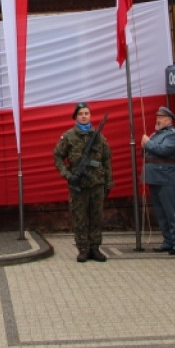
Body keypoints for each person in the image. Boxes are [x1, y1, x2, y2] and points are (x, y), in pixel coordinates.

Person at [53, 102, 113, 262]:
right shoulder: (69, 136)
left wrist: (108, 183)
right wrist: (67, 174)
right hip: (79, 186)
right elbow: (57, 156)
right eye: (81, 114)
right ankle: (83, 249)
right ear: (76, 117)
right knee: (79, 218)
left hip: (97, 184)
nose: (84, 116)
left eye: (87, 113)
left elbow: (107, 160)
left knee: (96, 217)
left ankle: (95, 248)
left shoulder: (99, 137)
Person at [141, 106, 175, 255]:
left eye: (161, 117)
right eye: (157, 117)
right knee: (161, 213)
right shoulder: (156, 134)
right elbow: (150, 151)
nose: (158, 119)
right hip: (156, 177)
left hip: (168, 178)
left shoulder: (173, 135)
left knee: (171, 211)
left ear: (169, 120)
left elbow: (163, 150)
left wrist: (147, 143)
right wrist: (147, 145)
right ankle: (168, 240)